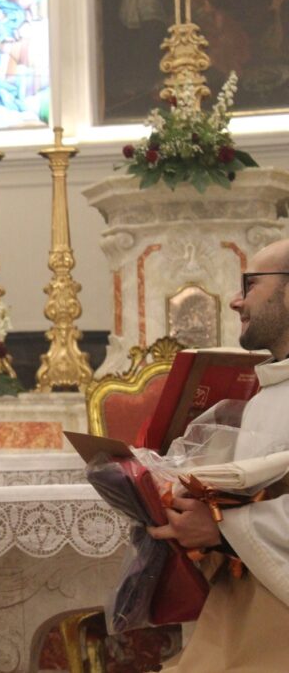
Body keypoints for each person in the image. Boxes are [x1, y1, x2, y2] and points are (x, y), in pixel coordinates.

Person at [151, 238, 289, 671]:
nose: (235, 300)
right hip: (243, 612)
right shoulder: (270, 393)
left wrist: (221, 530)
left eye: (250, 285)